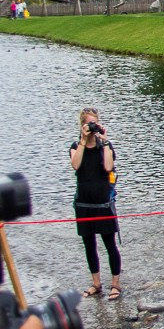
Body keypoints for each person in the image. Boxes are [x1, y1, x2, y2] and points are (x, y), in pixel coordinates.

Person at [70, 108, 124, 300]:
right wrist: (84, 141)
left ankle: (115, 284)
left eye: (95, 124)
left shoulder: (105, 147)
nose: (92, 128)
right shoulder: (76, 146)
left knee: (110, 244)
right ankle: (96, 283)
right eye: (89, 124)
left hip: (103, 204)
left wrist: (106, 141)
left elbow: (108, 167)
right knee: (89, 245)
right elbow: (76, 165)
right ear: (82, 126)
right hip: (84, 204)